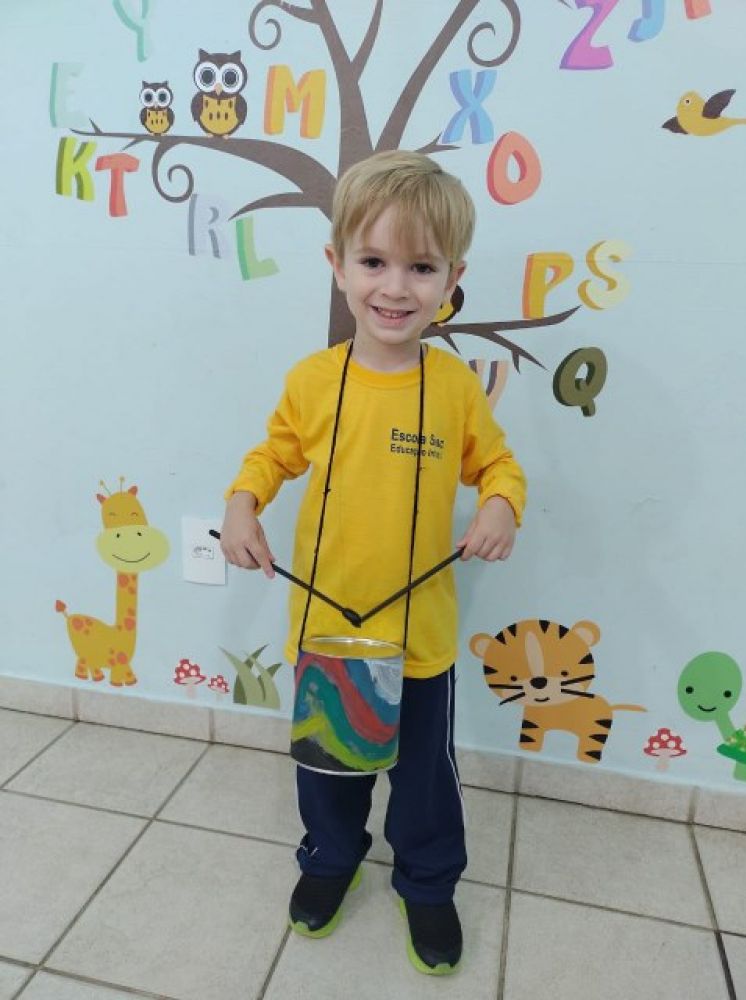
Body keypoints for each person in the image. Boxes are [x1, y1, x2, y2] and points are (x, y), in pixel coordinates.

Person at [220, 149, 526, 975]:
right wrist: (242, 503)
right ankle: (330, 858)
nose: (396, 288)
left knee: (423, 782)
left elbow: (499, 467)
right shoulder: (313, 381)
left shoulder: (455, 387)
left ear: (452, 277)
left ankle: (427, 882)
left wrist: (501, 503)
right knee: (328, 772)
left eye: (421, 267)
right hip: (326, 632)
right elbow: (272, 457)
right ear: (337, 265)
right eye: (374, 262)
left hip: (418, 643)